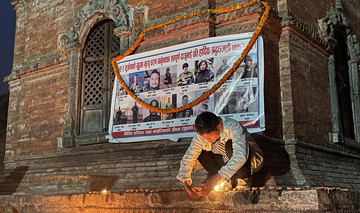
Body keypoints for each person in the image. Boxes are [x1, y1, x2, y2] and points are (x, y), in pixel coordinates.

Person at [176, 112, 263, 198]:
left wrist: (215, 179)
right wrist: (186, 183)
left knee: (229, 144)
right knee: (200, 152)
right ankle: (225, 180)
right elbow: (189, 157)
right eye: (205, 137)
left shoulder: (233, 126)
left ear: (218, 126)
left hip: (249, 163)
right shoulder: (201, 136)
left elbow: (241, 155)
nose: (207, 139)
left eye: (209, 136)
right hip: (224, 165)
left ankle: (242, 179)